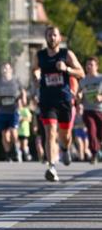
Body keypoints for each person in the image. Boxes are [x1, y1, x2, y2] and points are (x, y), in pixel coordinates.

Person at [32, 24, 84, 182]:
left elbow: (81, 72)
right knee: (50, 133)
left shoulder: (66, 54)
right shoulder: (40, 55)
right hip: (47, 100)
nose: (52, 38)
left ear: (59, 38)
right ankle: (52, 166)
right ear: (45, 37)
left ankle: (65, 148)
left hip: (64, 100)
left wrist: (67, 69)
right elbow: (34, 69)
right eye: (49, 35)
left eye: (54, 35)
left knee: (65, 135)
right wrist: (35, 74)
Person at [0, 61, 22, 162]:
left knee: (14, 133)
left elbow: (22, 93)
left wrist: (22, 100)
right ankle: (8, 155)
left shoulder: (16, 81)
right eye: (3, 68)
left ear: (11, 69)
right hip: (2, 111)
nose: (5, 70)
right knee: (5, 135)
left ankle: (17, 150)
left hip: (14, 110)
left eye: (7, 68)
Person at [80, 56, 102, 163]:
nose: (89, 67)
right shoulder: (83, 81)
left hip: (100, 110)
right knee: (92, 132)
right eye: (87, 65)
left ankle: (98, 150)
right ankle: (94, 154)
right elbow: (79, 95)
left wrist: (101, 97)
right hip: (88, 110)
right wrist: (78, 97)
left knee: (100, 134)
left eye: (91, 64)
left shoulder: (100, 79)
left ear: (96, 66)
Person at [17, 95, 33, 162]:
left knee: (24, 144)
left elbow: (30, 119)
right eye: (17, 103)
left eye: (19, 102)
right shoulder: (15, 110)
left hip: (24, 131)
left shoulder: (25, 110)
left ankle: (27, 155)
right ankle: (19, 157)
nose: (18, 104)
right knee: (18, 145)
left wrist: (22, 119)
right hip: (17, 131)